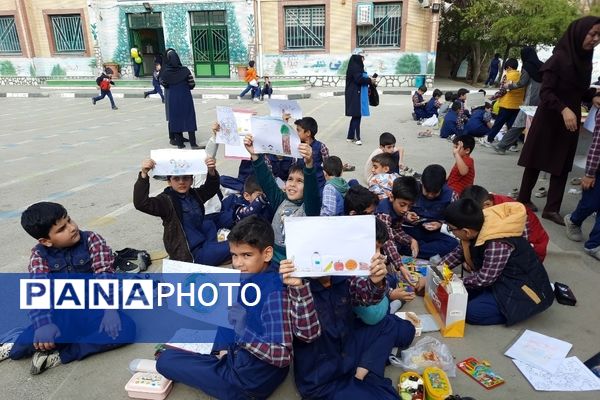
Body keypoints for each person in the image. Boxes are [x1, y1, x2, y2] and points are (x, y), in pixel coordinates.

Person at [157, 216, 321, 399]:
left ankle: (214, 357)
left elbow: (283, 356)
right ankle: (215, 352)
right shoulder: (258, 273)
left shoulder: (275, 295)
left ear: (266, 254)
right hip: (244, 356)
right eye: (234, 255)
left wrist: (243, 331)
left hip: (245, 382)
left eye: (246, 255)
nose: (238, 263)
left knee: (166, 360)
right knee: (183, 336)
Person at [1, 202, 134, 373]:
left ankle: (61, 355)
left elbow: (105, 275)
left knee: (126, 331)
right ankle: (13, 341)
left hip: (96, 310)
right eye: (61, 229)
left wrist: (110, 311)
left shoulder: (92, 240)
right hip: (63, 313)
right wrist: (43, 324)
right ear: (46, 241)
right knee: (22, 349)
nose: (72, 228)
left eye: (69, 220)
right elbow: (38, 289)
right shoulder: (39, 254)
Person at [279, 247, 415, 400]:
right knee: (388, 396)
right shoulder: (291, 287)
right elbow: (307, 335)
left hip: (348, 351)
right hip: (324, 379)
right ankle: (367, 374)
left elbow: (367, 296)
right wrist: (298, 288)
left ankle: (364, 372)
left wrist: (376, 282)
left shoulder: (340, 274)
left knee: (403, 329)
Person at [517, 17, 600, 225]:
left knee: (562, 164)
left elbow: (577, 90)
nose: (595, 40)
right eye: (592, 34)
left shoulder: (585, 61)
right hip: (550, 117)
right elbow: (546, 92)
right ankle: (524, 199)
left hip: (568, 121)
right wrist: (563, 109)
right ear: (579, 32)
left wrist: (592, 96)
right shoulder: (558, 58)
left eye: (599, 36)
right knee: (536, 161)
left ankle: (551, 208)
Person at [441, 199, 554, 325]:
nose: (451, 232)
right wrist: (435, 272)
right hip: (498, 280)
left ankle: (514, 312)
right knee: (455, 296)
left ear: (466, 231)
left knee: (470, 312)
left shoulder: (497, 244)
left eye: (451, 229)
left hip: (520, 289)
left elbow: (484, 279)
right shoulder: (477, 228)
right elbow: (458, 254)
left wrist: (453, 281)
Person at [133, 157, 230, 266]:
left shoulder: (193, 195)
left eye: (185, 178)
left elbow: (211, 188)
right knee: (236, 245)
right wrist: (144, 173)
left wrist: (211, 171)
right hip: (190, 255)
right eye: (176, 179)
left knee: (209, 223)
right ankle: (214, 255)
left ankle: (215, 252)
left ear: (191, 180)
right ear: (169, 181)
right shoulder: (166, 201)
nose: (181, 182)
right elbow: (141, 203)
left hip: (202, 240)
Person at [244, 134, 321, 264]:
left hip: (295, 263)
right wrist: (255, 156)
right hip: (272, 259)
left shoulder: (309, 209)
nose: (292, 184)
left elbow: (312, 193)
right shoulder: (281, 201)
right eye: (290, 179)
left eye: (299, 181)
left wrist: (309, 164)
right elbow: (267, 182)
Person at [461, 185, 549, 262]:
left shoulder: (512, 212)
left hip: (533, 250)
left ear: (487, 204)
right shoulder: (489, 204)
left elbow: (519, 246)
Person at [493, 46, 543, 154]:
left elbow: (522, 83)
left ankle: (501, 146)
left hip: (530, 100)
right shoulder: (541, 65)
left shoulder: (527, 66)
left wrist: (509, 86)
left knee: (518, 124)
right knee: (537, 125)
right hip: (542, 99)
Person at [564, 112, 600, 260]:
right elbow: (597, 145)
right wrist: (590, 173)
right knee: (590, 203)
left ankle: (594, 244)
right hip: (598, 170)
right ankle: (574, 220)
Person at [404, 165, 458, 259]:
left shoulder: (451, 195)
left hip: (434, 232)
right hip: (411, 229)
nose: (430, 195)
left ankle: (411, 250)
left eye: (435, 193)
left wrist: (440, 224)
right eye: (427, 191)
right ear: (422, 183)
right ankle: (421, 250)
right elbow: (397, 208)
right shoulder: (412, 188)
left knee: (453, 244)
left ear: (443, 186)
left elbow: (456, 221)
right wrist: (406, 215)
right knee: (393, 234)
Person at [160, 49, 201, 149]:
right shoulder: (185, 70)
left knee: (175, 119)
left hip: (173, 99)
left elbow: (164, 84)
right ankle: (193, 143)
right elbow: (192, 84)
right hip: (185, 97)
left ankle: (179, 144)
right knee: (189, 117)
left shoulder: (165, 73)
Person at [484, 58, 525, 145]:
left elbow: (502, 90)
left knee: (498, 123)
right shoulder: (521, 76)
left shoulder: (507, 76)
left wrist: (493, 98)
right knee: (512, 125)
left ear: (509, 67)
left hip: (506, 104)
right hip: (517, 105)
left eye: (506, 68)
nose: (506, 70)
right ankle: (513, 144)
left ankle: (489, 139)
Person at [291, 117, 330, 193]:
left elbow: (328, 167)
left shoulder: (321, 147)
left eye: (298, 130)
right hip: (301, 185)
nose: (296, 133)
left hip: (318, 184)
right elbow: (293, 166)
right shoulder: (296, 147)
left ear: (308, 133)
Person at [345, 48, 373, 146]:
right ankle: (357, 138)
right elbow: (359, 79)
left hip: (356, 94)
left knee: (356, 116)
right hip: (355, 95)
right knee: (357, 115)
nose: (363, 60)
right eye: (362, 57)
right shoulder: (356, 67)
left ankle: (350, 136)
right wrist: (370, 81)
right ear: (358, 57)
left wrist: (369, 80)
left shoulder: (355, 66)